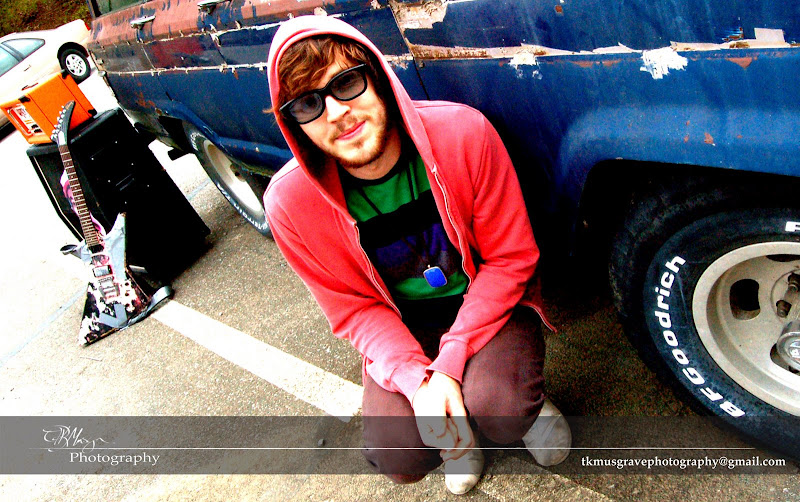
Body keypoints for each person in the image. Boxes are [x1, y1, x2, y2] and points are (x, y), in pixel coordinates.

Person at [264, 15, 571, 494]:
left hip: (483, 300)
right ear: (293, 123)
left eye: (346, 83)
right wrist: (418, 383)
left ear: (378, 78)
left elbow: (510, 259)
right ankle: (456, 442)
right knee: (398, 455)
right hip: (403, 322)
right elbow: (353, 311)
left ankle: (526, 412)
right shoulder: (289, 204)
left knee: (502, 409)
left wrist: (450, 362)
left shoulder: (463, 133)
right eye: (308, 103)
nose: (336, 112)